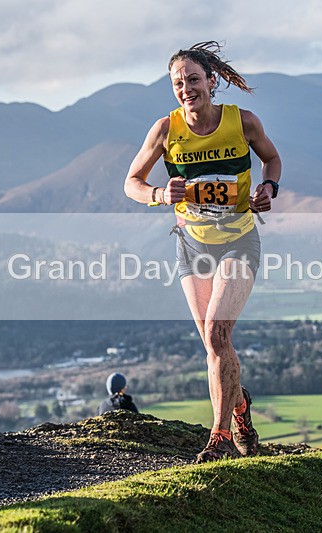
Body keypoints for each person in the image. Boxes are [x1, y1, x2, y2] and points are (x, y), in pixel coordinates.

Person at [124, 41, 281, 462]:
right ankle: (241, 408)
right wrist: (158, 193)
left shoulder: (242, 122)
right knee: (215, 346)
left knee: (217, 333)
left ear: (212, 82)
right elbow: (131, 183)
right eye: (178, 82)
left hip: (238, 240)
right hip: (192, 246)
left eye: (193, 79)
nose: (186, 88)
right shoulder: (165, 130)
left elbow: (271, 159)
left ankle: (220, 437)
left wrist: (269, 188)